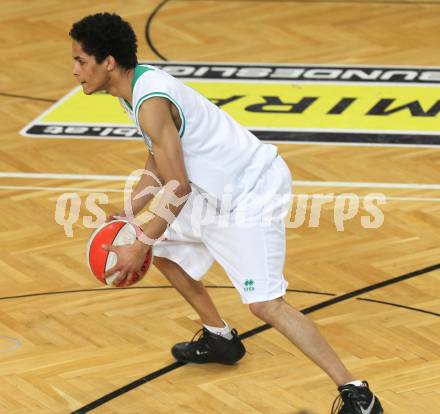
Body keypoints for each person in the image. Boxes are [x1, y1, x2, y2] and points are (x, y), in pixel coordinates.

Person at [69, 13, 383, 414]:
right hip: (211, 190)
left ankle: (358, 393)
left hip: (251, 191)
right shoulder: (136, 87)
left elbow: (176, 186)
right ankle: (221, 338)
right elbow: (158, 159)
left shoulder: (150, 101)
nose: (75, 70)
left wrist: (140, 239)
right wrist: (129, 215)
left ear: (108, 62)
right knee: (161, 250)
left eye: (81, 60)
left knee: (266, 304)